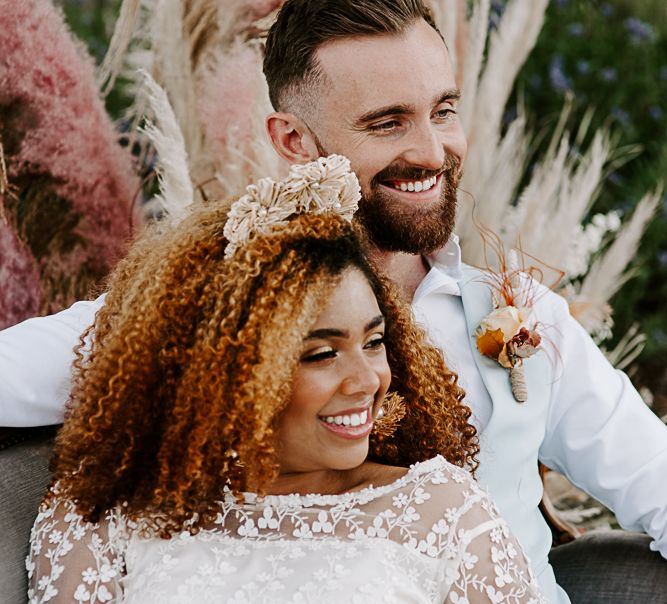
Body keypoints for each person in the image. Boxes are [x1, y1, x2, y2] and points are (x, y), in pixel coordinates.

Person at [2, 0, 666, 602]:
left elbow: (656, 483)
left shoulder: (526, 316)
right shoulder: (200, 312)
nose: (432, 151)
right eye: (387, 123)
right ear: (292, 140)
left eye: (442, 110)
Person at [26, 156, 545, 603]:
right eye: (322, 354)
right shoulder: (103, 511)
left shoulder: (444, 512)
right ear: (224, 372)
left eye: (373, 341)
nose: (367, 380)